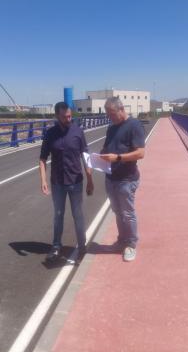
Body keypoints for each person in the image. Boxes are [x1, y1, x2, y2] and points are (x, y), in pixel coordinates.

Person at [39, 102, 94, 261]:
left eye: (70, 116)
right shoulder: (50, 134)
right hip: (57, 183)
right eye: (65, 117)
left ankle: (82, 246)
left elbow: (86, 157)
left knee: (78, 215)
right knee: (58, 215)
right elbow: (42, 159)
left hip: (76, 181)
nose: (68, 119)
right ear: (57, 116)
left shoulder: (78, 132)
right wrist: (43, 180)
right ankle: (56, 246)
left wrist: (90, 180)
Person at [100, 97, 145, 262]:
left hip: (127, 179)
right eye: (108, 114)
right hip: (111, 178)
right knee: (118, 213)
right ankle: (121, 241)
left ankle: (131, 245)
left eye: (111, 114)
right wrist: (99, 156)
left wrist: (117, 157)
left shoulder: (134, 126)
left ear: (121, 110)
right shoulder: (111, 128)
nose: (109, 117)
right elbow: (107, 147)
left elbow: (140, 153)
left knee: (127, 213)